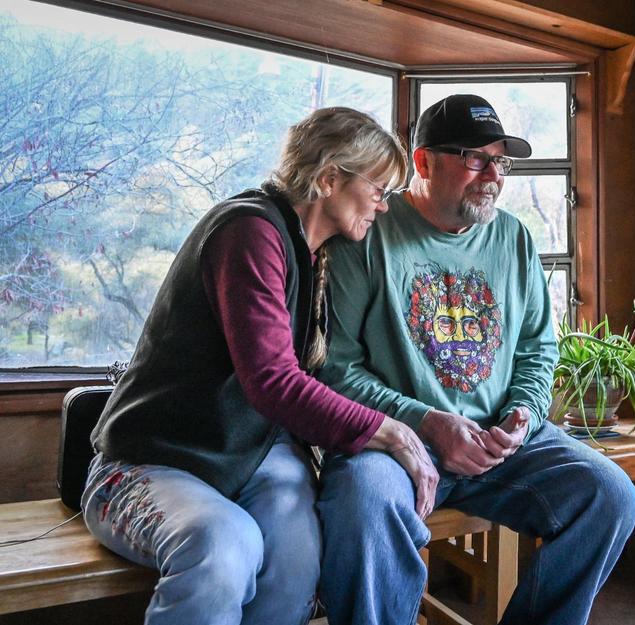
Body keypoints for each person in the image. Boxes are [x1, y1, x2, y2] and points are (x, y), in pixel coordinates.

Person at [83, 107, 439, 625]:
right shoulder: (249, 230)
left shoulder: (315, 253)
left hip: (243, 456)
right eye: (379, 188)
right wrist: (391, 431)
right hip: (147, 460)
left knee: (298, 557)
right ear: (329, 177)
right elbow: (273, 381)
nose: (384, 206)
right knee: (224, 544)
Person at [317, 94, 635, 625]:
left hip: (501, 443)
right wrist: (427, 422)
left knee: (609, 495)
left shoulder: (513, 237)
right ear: (423, 162)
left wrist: (524, 416)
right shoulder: (368, 231)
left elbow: (539, 349)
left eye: (501, 161)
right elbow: (337, 369)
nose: (492, 174)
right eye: (474, 158)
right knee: (363, 502)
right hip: (397, 442)